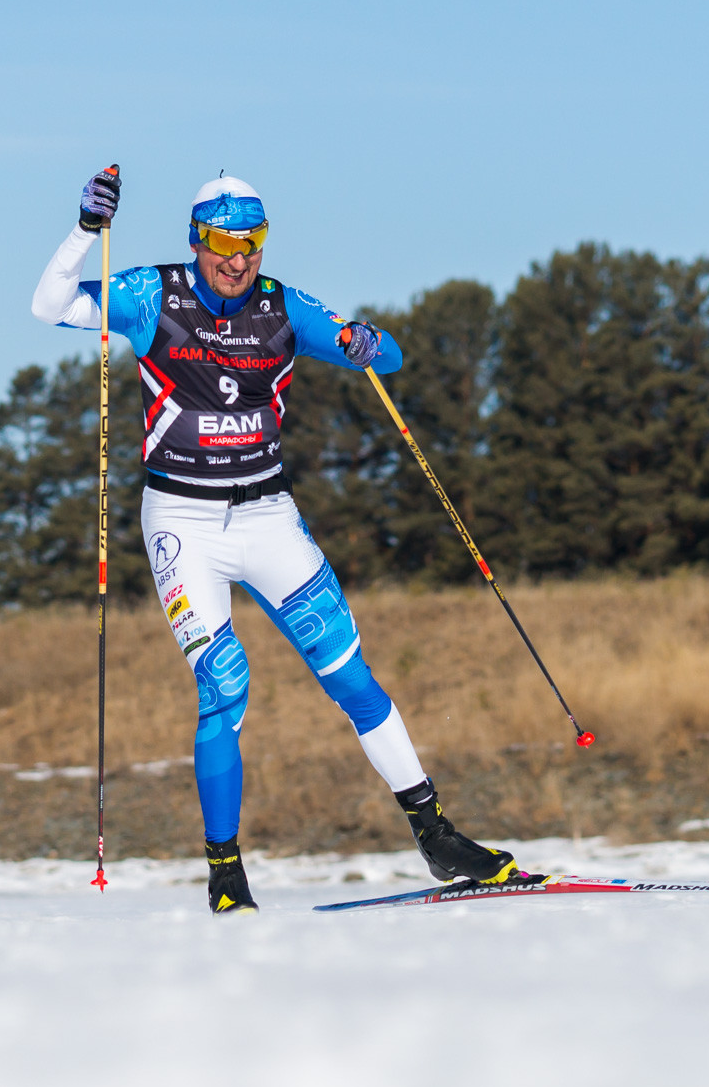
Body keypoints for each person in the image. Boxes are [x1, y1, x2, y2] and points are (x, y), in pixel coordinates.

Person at [30, 167, 518, 913]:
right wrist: (85, 232)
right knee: (225, 687)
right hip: (184, 524)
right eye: (226, 242)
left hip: (266, 517)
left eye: (253, 241)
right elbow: (47, 305)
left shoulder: (280, 307)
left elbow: (385, 357)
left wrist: (363, 339)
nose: (240, 257)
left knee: (350, 677)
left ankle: (437, 837)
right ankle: (226, 873)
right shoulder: (150, 295)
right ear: (198, 239)